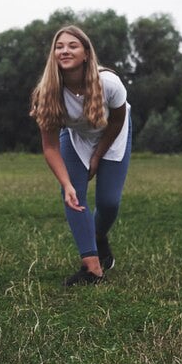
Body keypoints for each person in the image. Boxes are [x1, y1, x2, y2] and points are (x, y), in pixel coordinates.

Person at [30, 25, 132, 286]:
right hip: (76, 138)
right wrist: (67, 185)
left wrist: (98, 156)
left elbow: (118, 121)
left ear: (86, 53)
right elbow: (50, 146)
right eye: (59, 46)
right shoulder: (47, 91)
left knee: (109, 202)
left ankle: (97, 235)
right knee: (73, 196)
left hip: (112, 134)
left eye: (72, 46)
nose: (65, 50)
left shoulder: (109, 83)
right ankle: (92, 268)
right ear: (53, 54)